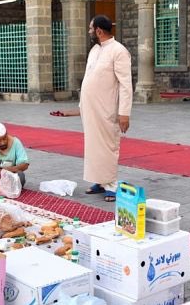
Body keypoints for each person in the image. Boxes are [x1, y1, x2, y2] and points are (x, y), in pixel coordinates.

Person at [52, 15, 132, 202]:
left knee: (108, 146)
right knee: (94, 147)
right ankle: (100, 181)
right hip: (91, 110)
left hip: (107, 109)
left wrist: (124, 113)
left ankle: (111, 185)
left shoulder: (119, 51)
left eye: (90, 29)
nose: (89, 32)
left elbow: (125, 85)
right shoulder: (95, 50)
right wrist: (80, 108)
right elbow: (89, 80)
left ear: (98, 31)